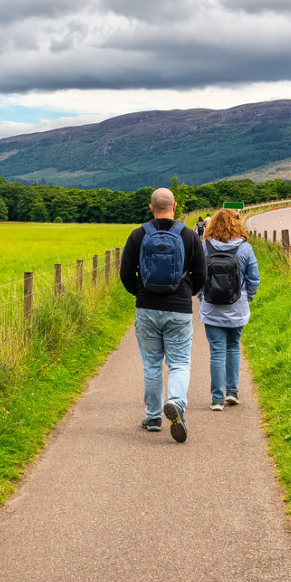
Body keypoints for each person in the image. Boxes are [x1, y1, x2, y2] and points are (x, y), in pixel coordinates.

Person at [119, 187, 206, 442]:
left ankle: (153, 416)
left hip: (146, 307)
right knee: (179, 362)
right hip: (178, 307)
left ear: (150, 208)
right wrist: (187, 292)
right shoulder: (189, 236)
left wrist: (141, 292)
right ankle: (176, 403)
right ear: (175, 206)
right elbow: (201, 274)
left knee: (152, 364)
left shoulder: (138, 235)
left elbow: (126, 274)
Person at [196, 207, 259, 411]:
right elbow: (254, 279)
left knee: (216, 352)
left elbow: (197, 277)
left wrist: (201, 297)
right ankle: (232, 392)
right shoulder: (245, 249)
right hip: (237, 308)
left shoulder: (205, 248)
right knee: (233, 347)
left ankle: (216, 399)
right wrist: (245, 298)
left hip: (212, 308)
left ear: (212, 224)